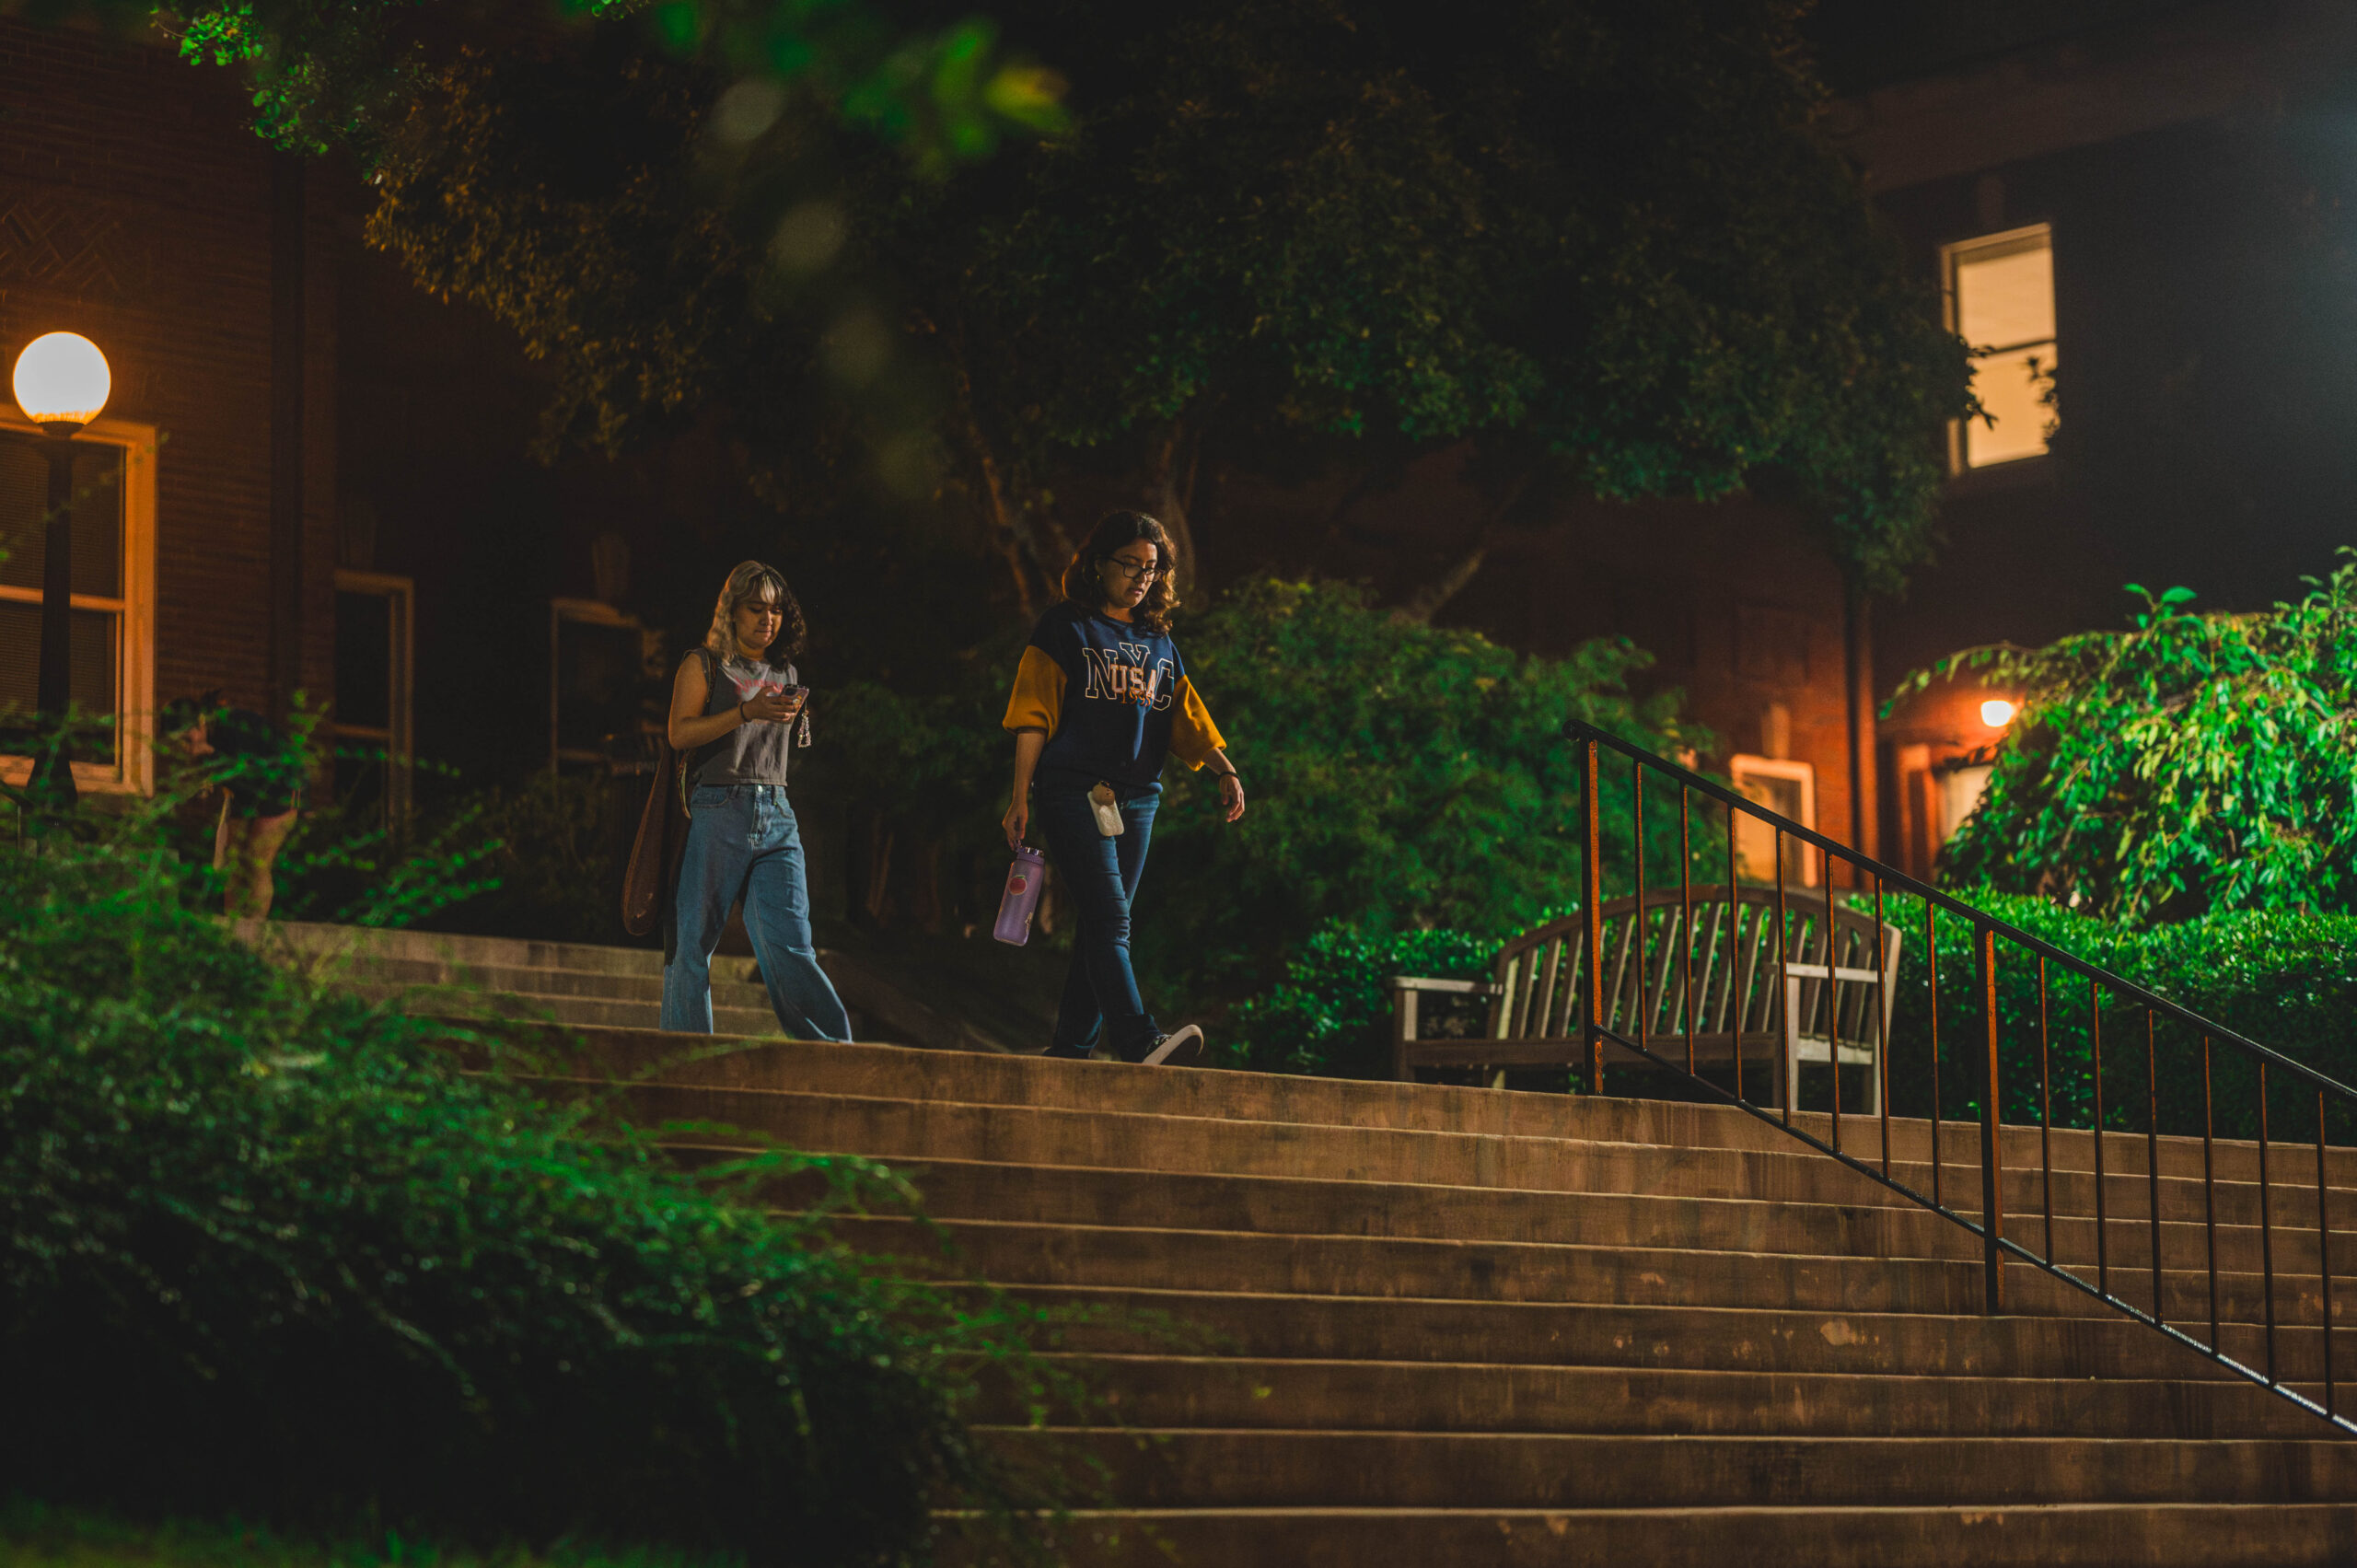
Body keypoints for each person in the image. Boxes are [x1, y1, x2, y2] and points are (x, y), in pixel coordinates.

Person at [1001, 510, 1246, 1066]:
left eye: (1152, 568)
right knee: (1113, 922)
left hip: (1138, 800)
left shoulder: (1157, 640)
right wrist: (1020, 796)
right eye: (1130, 564)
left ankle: (1069, 1052)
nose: (1142, 577)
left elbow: (1185, 717)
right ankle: (1140, 1041)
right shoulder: (1064, 627)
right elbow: (1033, 716)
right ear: (1097, 564)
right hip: (1072, 791)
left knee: (1100, 926)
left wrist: (1225, 769)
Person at [661, 559, 853, 1041]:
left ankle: (834, 1053)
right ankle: (686, 1058)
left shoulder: (785, 670)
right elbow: (679, 734)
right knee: (692, 944)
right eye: (755, 609)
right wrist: (746, 711)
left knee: (792, 944)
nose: (767, 620)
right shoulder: (703, 663)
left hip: (777, 813)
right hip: (718, 806)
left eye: (776, 611)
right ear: (732, 610)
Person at [163, 692, 303, 920]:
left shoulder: (233, 728)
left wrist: (212, 757)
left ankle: (255, 928)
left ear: (201, 722)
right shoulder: (208, 738)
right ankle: (233, 923)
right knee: (234, 859)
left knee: (256, 858)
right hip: (246, 791)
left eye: (189, 739)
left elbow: (247, 772)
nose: (187, 748)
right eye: (180, 742)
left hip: (279, 785)